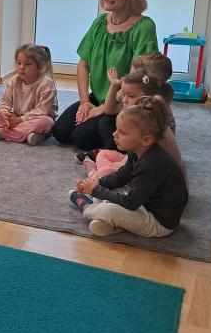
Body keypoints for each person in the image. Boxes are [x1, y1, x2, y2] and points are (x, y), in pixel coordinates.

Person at [51, 0, 158, 151]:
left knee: (80, 138)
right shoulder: (100, 23)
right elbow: (83, 65)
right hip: (98, 97)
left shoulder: (144, 26)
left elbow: (137, 77)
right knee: (60, 132)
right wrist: (85, 102)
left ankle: (121, 140)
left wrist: (102, 109)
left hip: (124, 102)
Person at [69, 96, 187, 238]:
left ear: (146, 140)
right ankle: (113, 224)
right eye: (117, 129)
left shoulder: (151, 164)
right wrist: (97, 183)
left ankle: (88, 206)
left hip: (158, 223)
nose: (114, 134)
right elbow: (120, 177)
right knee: (113, 191)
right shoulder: (137, 152)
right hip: (144, 206)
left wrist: (95, 191)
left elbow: (131, 203)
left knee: (109, 210)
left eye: (122, 132)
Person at [81, 68, 184, 181]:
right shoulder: (140, 111)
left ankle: (94, 174)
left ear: (148, 98)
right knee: (104, 154)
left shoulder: (151, 123)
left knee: (105, 171)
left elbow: (139, 167)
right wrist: (114, 85)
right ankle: (100, 167)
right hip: (137, 160)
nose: (124, 100)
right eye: (124, 94)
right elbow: (109, 110)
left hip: (154, 174)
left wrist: (114, 171)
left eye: (130, 96)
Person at [0, 44, 57, 145]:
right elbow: (5, 101)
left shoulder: (46, 84)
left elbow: (42, 111)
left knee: (46, 122)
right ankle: (28, 134)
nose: (21, 67)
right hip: (19, 116)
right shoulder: (14, 80)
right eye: (19, 63)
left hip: (38, 117)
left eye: (27, 64)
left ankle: (3, 133)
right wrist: (4, 113)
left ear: (40, 66)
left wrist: (20, 120)